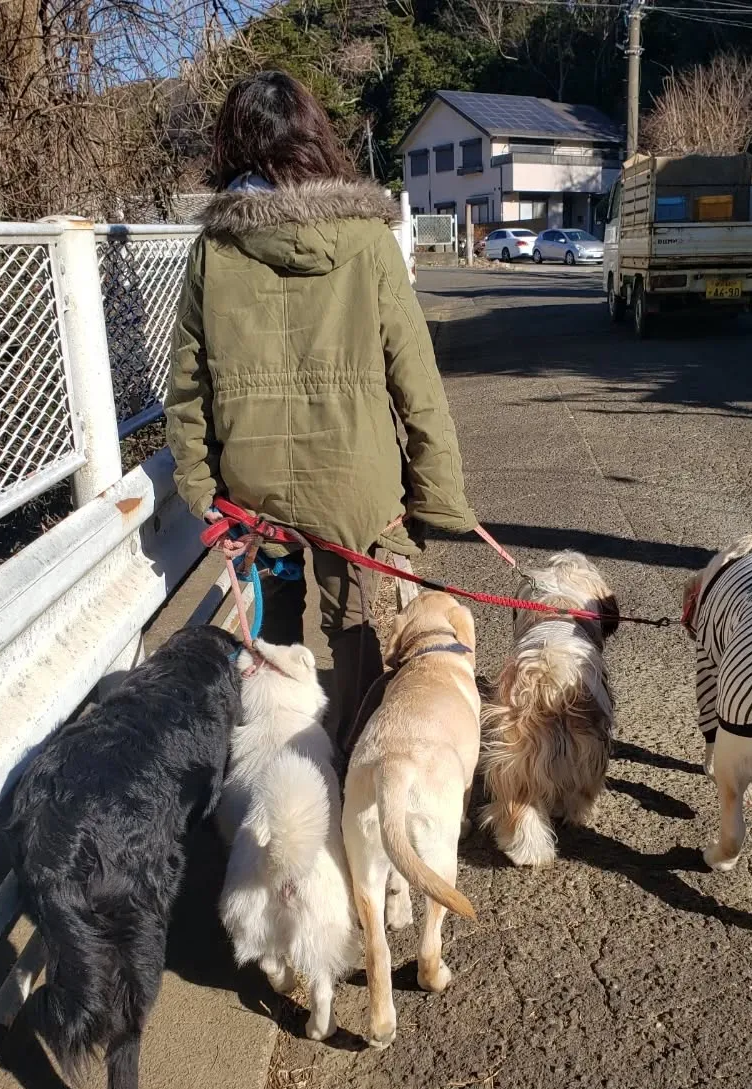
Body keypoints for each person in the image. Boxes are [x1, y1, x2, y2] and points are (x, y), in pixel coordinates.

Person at [166, 70, 477, 742]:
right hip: (358, 488)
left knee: (275, 624)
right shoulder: (366, 240)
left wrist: (203, 489)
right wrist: (435, 498)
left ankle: (284, 752)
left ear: (232, 146)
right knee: (363, 626)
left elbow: (187, 387)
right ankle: (358, 755)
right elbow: (415, 378)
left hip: (254, 490)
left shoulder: (214, 249)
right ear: (315, 139)